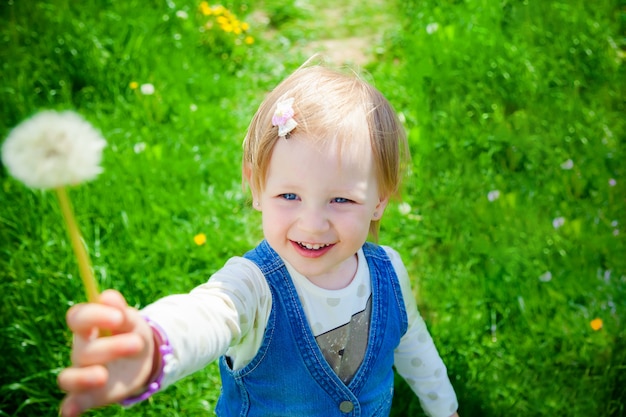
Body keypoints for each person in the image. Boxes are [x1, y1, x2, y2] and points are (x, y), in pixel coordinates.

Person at [57, 61, 460, 417]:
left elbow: (412, 343)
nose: (313, 224)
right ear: (256, 187)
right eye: (289, 196)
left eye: (341, 199)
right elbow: (209, 314)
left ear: (379, 201)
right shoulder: (253, 285)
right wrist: (154, 346)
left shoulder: (388, 270)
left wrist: (445, 407)